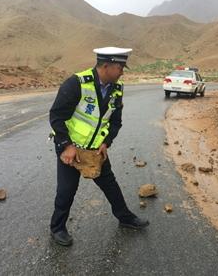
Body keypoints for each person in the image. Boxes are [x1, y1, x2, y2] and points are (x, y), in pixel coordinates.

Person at [49, 47, 149, 246]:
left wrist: (106, 143)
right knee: (67, 190)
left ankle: (125, 217)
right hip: (72, 148)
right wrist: (66, 145)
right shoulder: (76, 83)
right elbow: (56, 116)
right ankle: (57, 228)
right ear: (106, 66)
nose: (122, 72)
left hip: (95, 150)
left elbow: (115, 122)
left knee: (109, 184)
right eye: (120, 67)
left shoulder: (117, 89)